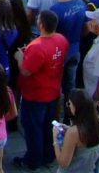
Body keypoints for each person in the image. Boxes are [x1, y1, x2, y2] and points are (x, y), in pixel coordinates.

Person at [12, 9, 67, 170]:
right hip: (53, 90)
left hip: (35, 94)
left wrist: (20, 58)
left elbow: (26, 71)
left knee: (33, 128)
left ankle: (32, 160)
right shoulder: (62, 40)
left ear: (41, 24)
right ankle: (48, 155)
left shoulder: (36, 47)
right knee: (48, 127)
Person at [53, 90, 99, 172]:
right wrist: (69, 128)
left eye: (69, 104)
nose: (68, 106)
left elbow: (63, 163)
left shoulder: (74, 133)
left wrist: (55, 139)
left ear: (77, 107)